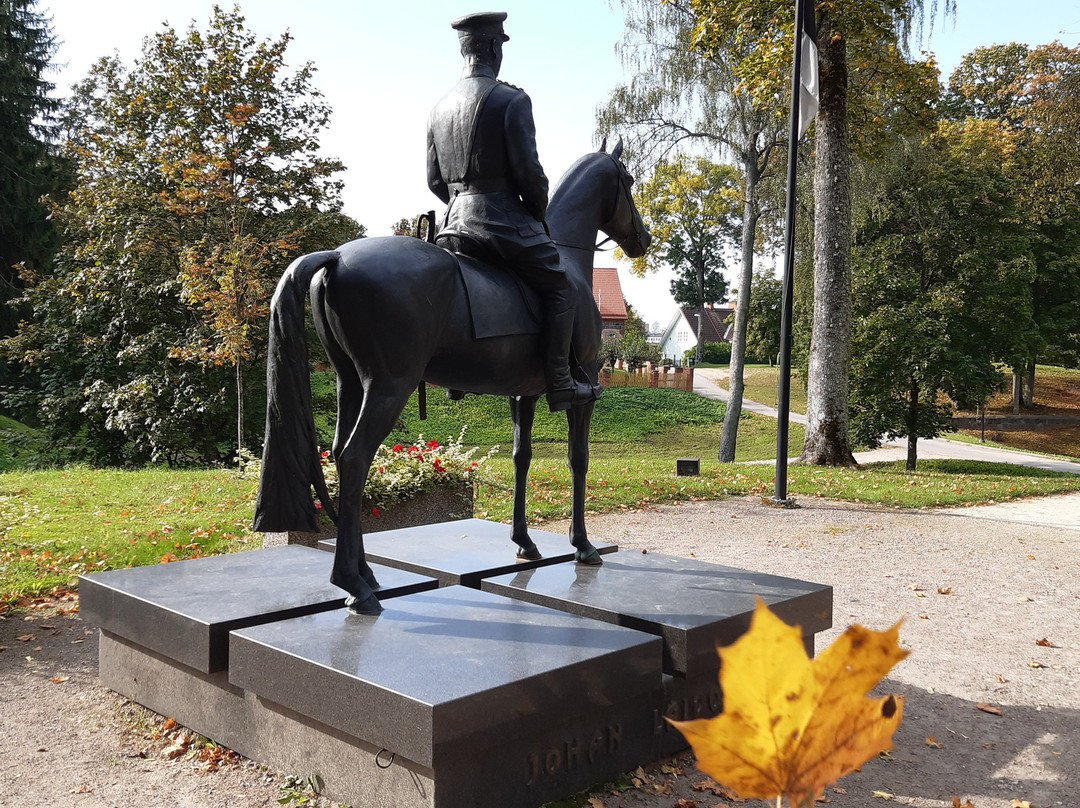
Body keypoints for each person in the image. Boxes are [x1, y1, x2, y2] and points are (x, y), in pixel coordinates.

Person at [426, 11, 600, 412]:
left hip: (453, 228)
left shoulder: (439, 107)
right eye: (500, 45)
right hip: (501, 225)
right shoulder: (510, 99)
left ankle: (458, 374)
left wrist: (460, 205)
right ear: (491, 46)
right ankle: (560, 380)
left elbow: (435, 181)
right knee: (560, 287)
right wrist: (537, 211)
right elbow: (530, 175)